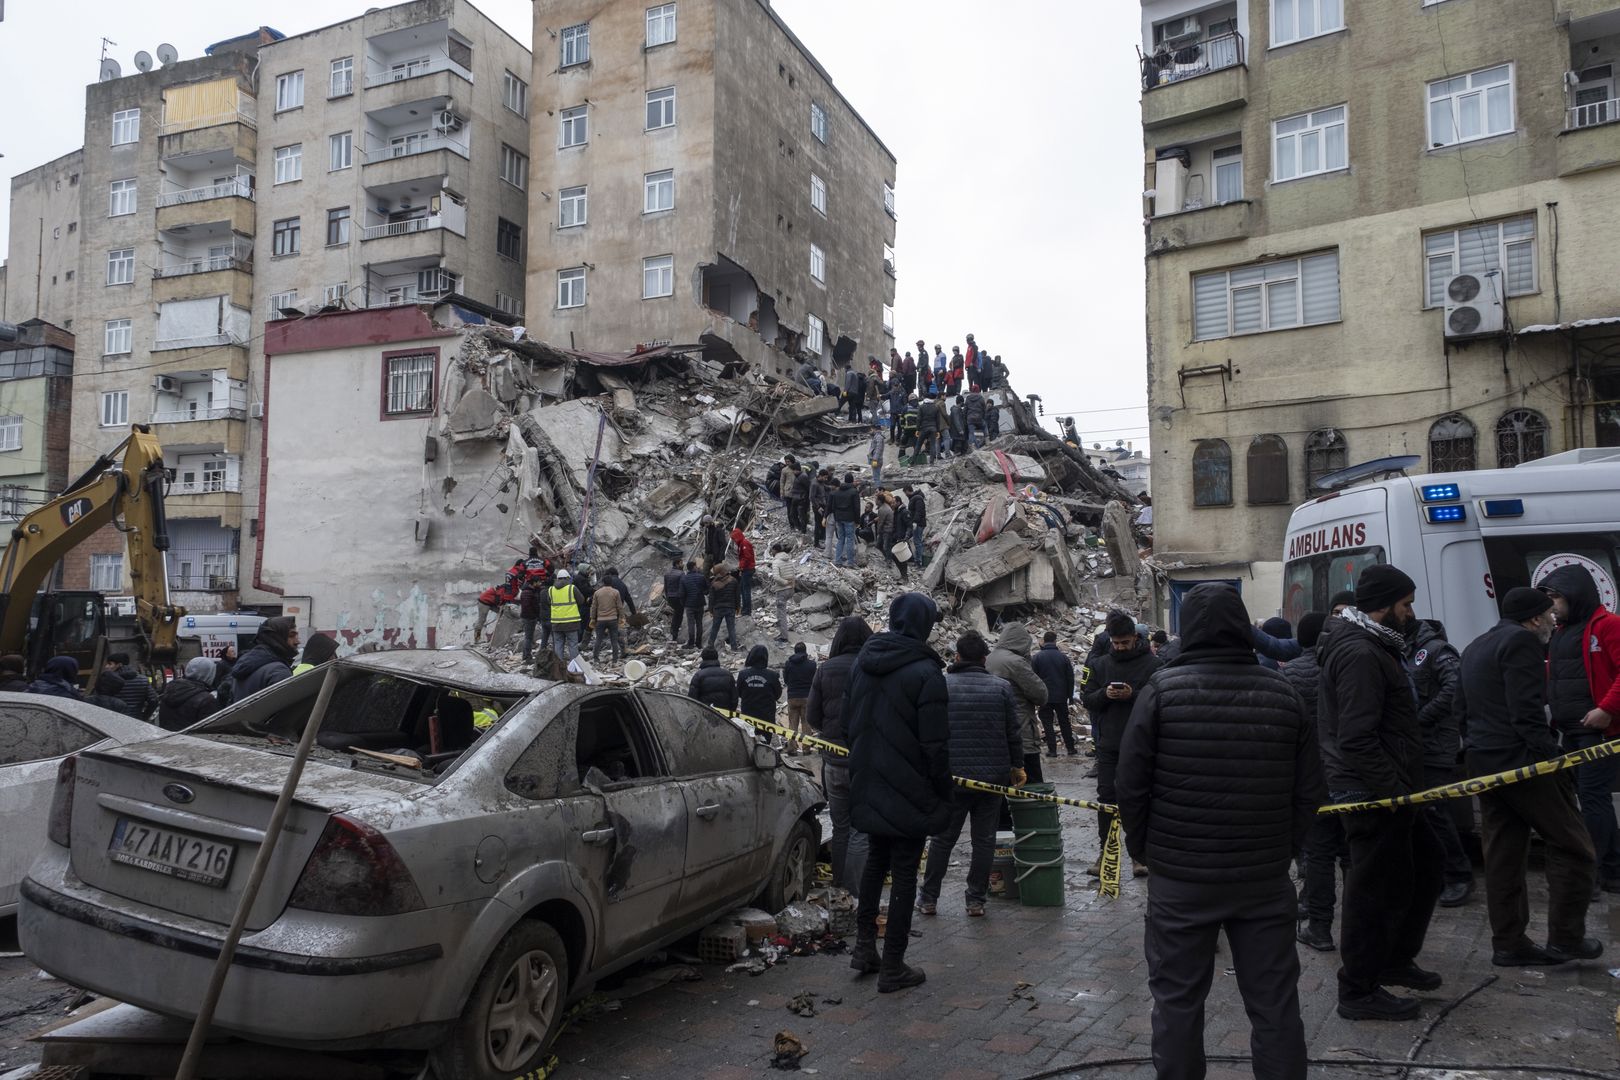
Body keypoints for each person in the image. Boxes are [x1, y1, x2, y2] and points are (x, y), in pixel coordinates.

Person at [1116, 582, 1321, 1080]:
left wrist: (1147, 851)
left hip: (1181, 881)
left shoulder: (1161, 693)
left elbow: (1131, 787)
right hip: (1264, 880)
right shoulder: (1284, 694)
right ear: (1243, 629)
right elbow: (1308, 791)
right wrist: (1284, 851)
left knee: (1177, 1002)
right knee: (1275, 1004)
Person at [1318, 564, 1441, 1021]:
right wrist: (1391, 791)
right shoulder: (1361, 653)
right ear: (1385, 605)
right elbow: (1356, 736)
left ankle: (1393, 960)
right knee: (1372, 889)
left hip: (1391, 787)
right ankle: (1358, 989)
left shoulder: (1374, 644)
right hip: (1370, 791)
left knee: (1425, 866)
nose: (1411, 614)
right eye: (1406, 605)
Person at [1456, 587, 1601, 967]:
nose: (1555, 620)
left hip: (1482, 761)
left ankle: (1509, 943)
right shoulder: (1522, 643)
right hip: (1521, 762)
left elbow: (1461, 707)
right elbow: (1526, 713)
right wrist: (1551, 760)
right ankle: (1566, 939)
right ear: (1535, 618)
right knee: (1574, 847)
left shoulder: (1476, 645)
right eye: (1550, 614)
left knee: (1503, 854)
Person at [847, 594, 951, 993]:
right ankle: (893, 964)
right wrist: (942, 790)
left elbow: (849, 724)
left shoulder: (863, 663)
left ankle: (863, 949)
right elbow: (936, 746)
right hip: (910, 788)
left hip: (868, 780)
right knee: (905, 871)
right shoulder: (926, 672)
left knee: (877, 861)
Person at [915, 630, 1025, 919]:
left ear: (957, 657)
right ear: (985, 659)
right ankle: (975, 900)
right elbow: (1013, 733)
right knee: (984, 840)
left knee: (942, 839)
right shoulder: (1001, 688)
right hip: (992, 778)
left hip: (952, 779)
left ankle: (928, 898)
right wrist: (1017, 766)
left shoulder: (942, 685)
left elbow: (929, 731)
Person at [1540, 563, 1620, 895]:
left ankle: (1594, 873)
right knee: (1587, 799)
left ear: (1576, 595)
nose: (1553, 606)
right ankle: (1613, 871)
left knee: (1592, 798)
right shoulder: (1561, 632)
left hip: (1598, 731)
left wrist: (1606, 709)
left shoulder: (1608, 626)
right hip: (1569, 730)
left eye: (1557, 597)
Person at [1284, 613, 1348, 953]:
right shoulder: (1347, 666)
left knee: (1319, 855)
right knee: (1352, 855)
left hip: (1313, 778)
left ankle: (1319, 926)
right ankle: (1356, 926)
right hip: (1352, 777)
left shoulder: (1290, 673)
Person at [1081, 611, 1163, 878]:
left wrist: (1133, 695)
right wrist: (1105, 693)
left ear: (1135, 638)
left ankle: (1139, 856)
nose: (1119, 647)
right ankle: (1105, 853)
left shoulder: (1153, 665)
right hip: (1109, 745)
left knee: (1140, 799)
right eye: (1115, 643)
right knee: (1106, 800)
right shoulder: (1101, 664)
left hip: (1141, 745)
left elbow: (1160, 701)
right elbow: (1087, 699)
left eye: (1124, 643)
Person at [1407, 617, 1472, 906]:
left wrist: (1421, 718)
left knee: (1436, 812)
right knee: (1422, 815)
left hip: (1436, 744)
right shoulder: (1406, 650)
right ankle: (1435, 875)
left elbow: (1454, 687)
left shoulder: (1436, 650)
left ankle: (1459, 876)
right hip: (1416, 746)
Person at [808, 616, 873, 889]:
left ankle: (839, 888)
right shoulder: (872, 668)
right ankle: (856, 891)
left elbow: (812, 716)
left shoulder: (825, 669)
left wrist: (830, 732)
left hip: (833, 762)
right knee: (861, 830)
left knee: (841, 827)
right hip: (865, 760)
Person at [986, 622, 1050, 790]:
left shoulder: (989, 658)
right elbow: (1041, 694)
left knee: (1002, 791)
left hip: (996, 734)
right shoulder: (1015, 662)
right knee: (1033, 787)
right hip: (1022, 734)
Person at [223, 617, 300, 703]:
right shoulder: (278, 671)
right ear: (276, 637)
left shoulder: (246, 662)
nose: (297, 641)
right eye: (291, 636)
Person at [1033, 630, 1079, 757]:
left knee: (1047, 723)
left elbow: (1034, 679)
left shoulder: (1037, 657)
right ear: (1055, 641)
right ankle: (1070, 748)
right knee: (1064, 722)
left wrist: (1036, 697)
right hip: (1061, 696)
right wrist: (1070, 696)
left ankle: (1052, 750)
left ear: (1044, 641)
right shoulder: (1063, 658)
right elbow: (1070, 678)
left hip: (1044, 697)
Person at [158, 657, 221, 731]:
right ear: (209, 674)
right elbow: (210, 732)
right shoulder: (207, 700)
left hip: (166, 739)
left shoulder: (169, 689)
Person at [737, 645, 783, 728]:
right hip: (766, 714)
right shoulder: (772, 675)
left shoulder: (743, 674)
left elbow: (738, 692)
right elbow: (778, 694)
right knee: (765, 739)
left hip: (748, 713)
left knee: (750, 737)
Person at [783, 642, 817, 754]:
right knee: (806, 723)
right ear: (805, 651)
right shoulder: (812, 664)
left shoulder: (788, 664)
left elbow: (786, 680)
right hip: (807, 697)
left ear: (795, 651)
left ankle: (792, 749)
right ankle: (806, 749)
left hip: (792, 697)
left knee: (792, 724)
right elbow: (814, 681)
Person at [761, 542, 797, 643]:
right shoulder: (789, 559)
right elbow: (794, 573)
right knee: (782, 612)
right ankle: (781, 630)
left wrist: (785, 583)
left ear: (775, 550)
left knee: (781, 614)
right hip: (791, 589)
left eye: (772, 550)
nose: (771, 552)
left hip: (782, 590)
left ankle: (784, 636)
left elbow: (776, 577)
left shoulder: (776, 562)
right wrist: (791, 584)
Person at [547, 570, 586, 662]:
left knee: (558, 645)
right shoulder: (572, 588)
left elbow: (549, 602)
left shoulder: (551, 589)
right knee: (573, 645)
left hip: (556, 624)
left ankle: (558, 668)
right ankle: (574, 669)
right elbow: (581, 600)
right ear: (568, 578)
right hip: (571, 623)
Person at [688, 646, 738, 711]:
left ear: (703, 657)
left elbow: (692, 699)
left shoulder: (698, 675)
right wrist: (731, 711)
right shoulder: (728, 675)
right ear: (717, 657)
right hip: (724, 716)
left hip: (705, 714)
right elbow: (734, 698)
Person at [830, 473, 861, 568]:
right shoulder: (854, 492)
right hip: (849, 519)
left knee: (841, 539)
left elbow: (833, 506)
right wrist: (858, 520)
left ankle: (838, 560)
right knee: (850, 539)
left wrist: (836, 518)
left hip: (839, 518)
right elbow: (857, 508)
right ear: (852, 481)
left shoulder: (837, 491)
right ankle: (850, 562)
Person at [707, 563, 741, 651]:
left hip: (718, 609)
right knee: (731, 628)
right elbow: (737, 596)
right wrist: (738, 607)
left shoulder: (714, 583)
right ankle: (734, 647)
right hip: (730, 608)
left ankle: (710, 645)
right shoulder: (734, 581)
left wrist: (710, 610)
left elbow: (711, 598)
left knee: (715, 628)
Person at [590, 578, 624, 662]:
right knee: (614, 640)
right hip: (613, 619)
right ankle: (615, 659)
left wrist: (593, 618)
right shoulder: (616, 592)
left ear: (603, 583)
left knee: (598, 639)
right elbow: (619, 606)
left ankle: (595, 658)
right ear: (611, 582)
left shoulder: (597, 593)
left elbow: (594, 607)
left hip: (600, 620)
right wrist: (621, 617)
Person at [473, 578, 516, 645]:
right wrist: (502, 605)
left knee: (503, 613)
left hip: (491, 602)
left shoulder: (510, 588)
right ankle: (477, 640)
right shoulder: (504, 589)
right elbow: (498, 599)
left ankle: (498, 636)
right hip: (484, 601)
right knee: (482, 620)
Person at [875, 494, 907, 581]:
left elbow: (881, 523)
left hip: (889, 532)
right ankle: (888, 558)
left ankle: (889, 560)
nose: (875, 501)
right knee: (879, 545)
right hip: (889, 531)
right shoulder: (891, 510)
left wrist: (878, 532)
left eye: (876, 499)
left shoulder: (884, 509)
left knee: (887, 547)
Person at [680, 560, 709, 649]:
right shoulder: (701, 577)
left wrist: (684, 603)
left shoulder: (684, 579)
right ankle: (699, 643)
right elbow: (706, 590)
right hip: (699, 603)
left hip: (689, 604)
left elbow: (681, 594)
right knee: (699, 623)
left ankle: (691, 643)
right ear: (694, 567)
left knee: (691, 624)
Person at [730, 528, 756, 617]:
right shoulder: (742, 543)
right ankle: (745, 609)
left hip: (747, 569)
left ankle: (746, 611)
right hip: (746, 569)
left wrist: (740, 566)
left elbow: (746, 557)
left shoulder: (744, 544)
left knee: (746, 590)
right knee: (743, 589)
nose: (734, 540)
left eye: (734, 538)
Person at [662, 557, 686, 641]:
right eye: (681, 563)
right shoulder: (681, 574)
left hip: (670, 597)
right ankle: (674, 634)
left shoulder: (667, 573)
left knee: (676, 613)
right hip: (678, 597)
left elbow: (666, 587)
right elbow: (683, 587)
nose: (683, 564)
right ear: (677, 564)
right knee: (679, 615)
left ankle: (673, 631)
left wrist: (668, 597)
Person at [904, 485, 928, 568]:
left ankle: (919, 562)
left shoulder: (917, 498)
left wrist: (915, 522)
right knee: (917, 541)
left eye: (905, 492)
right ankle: (918, 560)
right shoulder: (914, 498)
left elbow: (918, 511)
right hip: (918, 523)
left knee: (917, 542)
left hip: (918, 524)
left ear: (907, 491)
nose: (905, 494)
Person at [916, 393, 941, 465]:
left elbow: (918, 419)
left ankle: (912, 462)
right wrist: (938, 431)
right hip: (933, 428)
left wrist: (917, 429)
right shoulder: (935, 407)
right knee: (933, 445)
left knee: (918, 445)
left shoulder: (921, 407)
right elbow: (938, 421)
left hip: (924, 428)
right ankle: (931, 462)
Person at [810, 467, 831, 546]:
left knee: (823, 523)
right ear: (821, 476)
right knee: (818, 524)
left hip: (823, 504)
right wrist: (818, 507)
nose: (826, 479)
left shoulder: (821, 482)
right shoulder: (814, 484)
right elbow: (811, 497)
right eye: (825, 477)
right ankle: (816, 543)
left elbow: (824, 487)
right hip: (818, 507)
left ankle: (822, 538)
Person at [867, 422, 886, 490]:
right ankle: (879, 490)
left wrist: (874, 458)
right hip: (876, 459)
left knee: (876, 477)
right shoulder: (877, 436)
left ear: (875, 429)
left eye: (871, 429)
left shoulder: (879, 437)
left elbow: (878, 448)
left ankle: (879, 491)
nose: (870, 431)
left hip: (876, 460)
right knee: (876, 475)